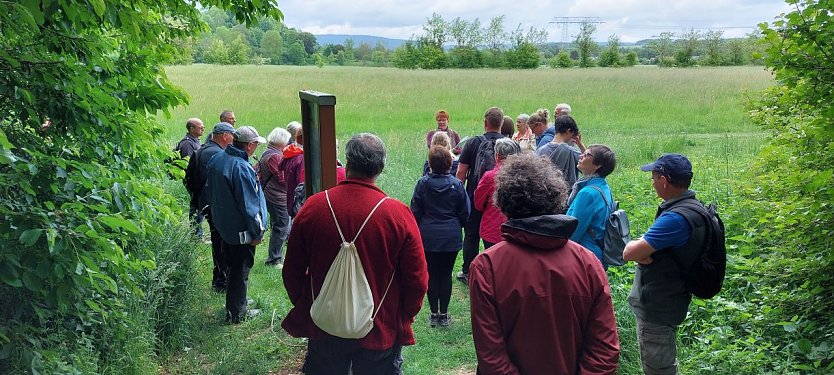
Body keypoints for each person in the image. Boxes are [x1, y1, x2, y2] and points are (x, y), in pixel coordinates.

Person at [282, 133, 428, 374]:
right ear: (380, 167)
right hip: (379, 326)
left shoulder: (314, 207)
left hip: (324, 324)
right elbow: (417, 279)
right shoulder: (396, 215)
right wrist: (402, 314)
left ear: (347, 163)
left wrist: (309, 303)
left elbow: (292, 271)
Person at [469, 153, 620, 374]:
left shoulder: (487, 266)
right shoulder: (588, 262)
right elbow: (605, 351)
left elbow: (491, 357)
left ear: (502, 203)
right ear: (557, 198)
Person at [624, 153, 708, 375]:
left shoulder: (675, 219)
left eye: (653, 178)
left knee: (659, 368)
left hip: (658, 305)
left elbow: (629, 252)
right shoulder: (693, 207)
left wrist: (641, 250)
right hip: (674, 295)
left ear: (664, 180)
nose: (652, 183)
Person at [205, 126, 268, 323]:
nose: (256, 147)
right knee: (240, 270)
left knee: (232, 266)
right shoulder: (241, 167)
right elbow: (249, 204)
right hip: (241, 231)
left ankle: (236, 301)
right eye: (256, 144)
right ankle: (237, 313)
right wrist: (257, 233)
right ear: (249, 146)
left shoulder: (218, 158)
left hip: (224, 226)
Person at [411, 146, 470, 328]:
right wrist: (455, 225)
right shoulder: (457, 185)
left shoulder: (422, 183)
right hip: (450, 236)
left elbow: (415, 211)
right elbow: (465, 212)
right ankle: (444, 314)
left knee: (431, 274)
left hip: (428, 236)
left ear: (430, 164)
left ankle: (433, 313)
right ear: (448, 163)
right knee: (445, 274)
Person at [455, 107, 506, 283]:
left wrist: (460, 196)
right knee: (497, 236)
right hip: (501, 199)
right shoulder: (509, 144)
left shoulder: (472, 143)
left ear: (485, 123)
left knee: (471, 235)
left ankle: (468, 271)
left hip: (475, 196)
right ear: (501, 123)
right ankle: (496, 271)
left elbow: (461, 172)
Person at [194, 122, 235, 292]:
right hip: (215, 206)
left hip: (205, 203)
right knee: (222, 245)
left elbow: (189, 179)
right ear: (225, 135)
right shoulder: (217, 154)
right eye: (232, 135)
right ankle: (221, 281)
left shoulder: (203, 149)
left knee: (217, 244)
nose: (234, 139)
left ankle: (218, 279)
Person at [567, 145, 617, 267]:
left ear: (598, 165)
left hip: (584, 257)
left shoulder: (587, 193)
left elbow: (574, 232)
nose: (580, 156)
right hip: (596, 253)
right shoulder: (603, 186)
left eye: (587, 155)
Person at [473, 138, 521, 249]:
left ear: (497, 155)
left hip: (492, 229)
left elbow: (478, 203)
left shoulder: (489, 177)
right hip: (517, 229)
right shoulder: (522, 175)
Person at [258, 127, 292, 268]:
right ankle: (274, 259)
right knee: (282, 227)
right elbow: (282, 178)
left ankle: (277, 256)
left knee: (279, 225)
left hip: (271, 195)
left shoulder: (268, 152)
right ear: (282, 141)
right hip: (277, 197)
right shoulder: (276, 156)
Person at [536, 115, 585, 188]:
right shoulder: (572, 152)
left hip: (545, 193)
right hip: (566, 195)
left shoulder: (540, 150)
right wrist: (581, 145)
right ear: (568, 130)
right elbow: (590, 166)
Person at [175, 118, 205, 239]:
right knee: (197, 206)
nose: (203, 128)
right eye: (200, 126)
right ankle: (195, 236)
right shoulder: (187, 143)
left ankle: (197, 234)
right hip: (193, 181)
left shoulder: (195, 141)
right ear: (191, 129)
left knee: (199, 206)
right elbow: (188, 165)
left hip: (198, 180)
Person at [279, 122, 304, 217]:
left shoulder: (290, 154)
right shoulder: (301, 159)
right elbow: (301, 187)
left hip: (290, 200)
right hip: (299, 206)